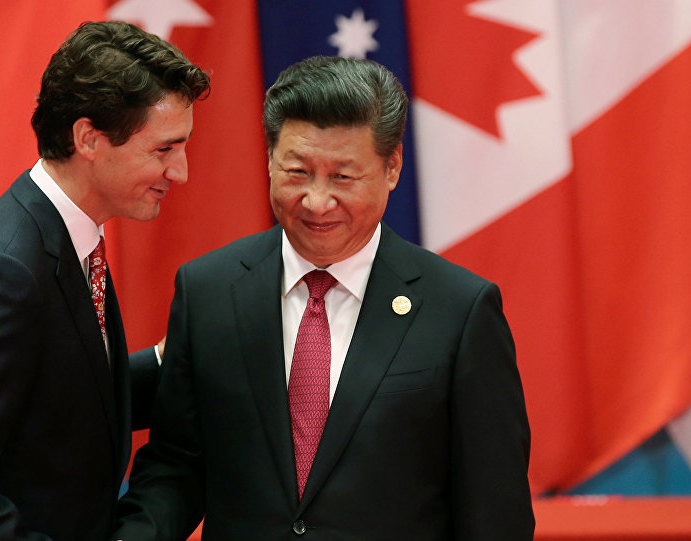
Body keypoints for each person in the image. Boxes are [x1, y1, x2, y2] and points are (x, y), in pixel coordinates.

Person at [114, 56, 534, 540]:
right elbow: (176, 467)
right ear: (270, 158)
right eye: (297, 171)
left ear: (391, 167)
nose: (316, 201)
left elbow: (493, 510)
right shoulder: (209, 290)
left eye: (342, 177)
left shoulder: (460, 310)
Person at [0, 21, 210, 541]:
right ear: (89, 138)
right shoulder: (4, 271)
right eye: (163, 150)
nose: (180, 172)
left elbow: (60, 397)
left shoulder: (65, 236)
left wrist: (174, 361)